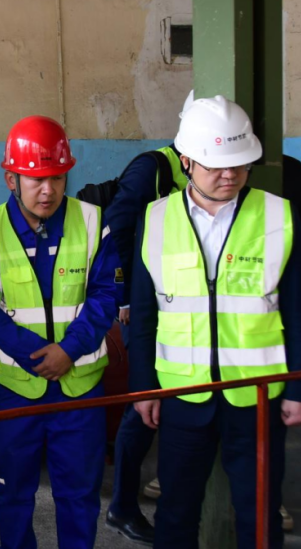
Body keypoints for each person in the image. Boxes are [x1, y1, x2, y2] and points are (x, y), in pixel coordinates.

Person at [130, 94, 301, 549]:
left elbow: (297, 308)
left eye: (240, 164)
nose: (230, 174)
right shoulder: (155, 218)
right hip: (182, 394)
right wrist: (143, 387)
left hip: (259, 393)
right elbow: (144, 313)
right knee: (175, 513)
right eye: (217, 165)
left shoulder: (279, 215)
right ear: (186, 161)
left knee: (260, 514)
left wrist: (297, 387)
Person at [0, 115, 122, 549]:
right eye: (36, 179)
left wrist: (68, 351)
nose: (48, 190)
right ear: (11, 179)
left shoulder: (94, 222)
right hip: (14, 390)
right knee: (13, 495)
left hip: (80, 390)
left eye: (57, 178)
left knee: (79, 497)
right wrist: (36, 354)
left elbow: (107, 293)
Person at [102, 140, 187, 543]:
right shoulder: (152, 168)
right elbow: (116, 229)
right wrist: (126, 298)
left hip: (181, 310)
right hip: (146, 308)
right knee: (143, 404)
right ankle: (122, 506)